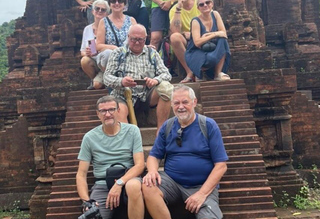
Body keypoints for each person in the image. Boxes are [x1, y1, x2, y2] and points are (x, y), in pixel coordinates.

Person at [142, 84, 228, 219]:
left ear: (194, 102)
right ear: (171, 104)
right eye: (176, 103)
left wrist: (202, 194)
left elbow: (221, 166)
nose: (180, 107)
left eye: (185, 102)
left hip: (202, 185)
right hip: (172, 182)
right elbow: (153, 156)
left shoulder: (208, 125)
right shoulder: (168, 126)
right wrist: (152, 171)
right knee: (147, 185)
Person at [76, 95, 145, 219]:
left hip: (128, 179)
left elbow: (140, 165)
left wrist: (119, 183)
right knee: (93, 215)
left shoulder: (132, 131)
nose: (107, 114)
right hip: (102, 184)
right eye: (103, 111)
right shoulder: (89, 137)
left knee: (133, 186)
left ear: (118, 111)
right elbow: (81, 174)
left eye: (111, 110)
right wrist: (86, 201)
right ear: (98, 114)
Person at [103, 24, 172, 131]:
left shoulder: (152, 53)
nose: (136, 42)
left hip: (146, 94)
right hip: (122, 96)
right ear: (128, 37)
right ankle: (129, 141)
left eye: (140, 40)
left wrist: (155, 81)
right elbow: (106, 78)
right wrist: (121, 81)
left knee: (166, 87)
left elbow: (166, 74)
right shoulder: (118, 53)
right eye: (133, 39)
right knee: (118, 109)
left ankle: (161, 132)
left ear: (146, 39)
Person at [185, 0, 231, 81]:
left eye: (207, 2)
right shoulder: (196, 21)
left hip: (213, 49)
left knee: (223, 40)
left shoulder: (215, 14)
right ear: (198, 8)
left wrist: (210, 34)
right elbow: (197, 42)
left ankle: (218, 73)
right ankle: (201, 71)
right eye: (201, 4)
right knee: (211, 56)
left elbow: (223, 34)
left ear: (212, 4)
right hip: (199, 52)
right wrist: (216, 34)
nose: (205, 5)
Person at [96, 0, 137, 75]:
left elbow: (138, 39)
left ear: (124, 4)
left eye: (120, 1)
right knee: (108, 54)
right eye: (113, 1)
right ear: (110, 4)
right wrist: (113, 48)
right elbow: (98, 45)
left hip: (128, 56)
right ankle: (110, 77)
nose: (117, 3)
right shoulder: (104, 21)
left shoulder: (131, 20)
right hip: (110, 59)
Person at [168, 0, 200, 83]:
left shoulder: (200, 3)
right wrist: (178, 8)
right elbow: (175, 31)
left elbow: (210, 23)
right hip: (187, 40)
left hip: (202, 37)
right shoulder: (174, 9)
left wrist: (194, 34)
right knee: (174, 38)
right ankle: (190, 72)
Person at [80, 0, 109, 90]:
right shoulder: (87, 29)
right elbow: (82, 50)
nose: (99, 11)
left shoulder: (110, 28)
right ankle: (94, 79)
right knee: (84, 60)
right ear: (93, 11)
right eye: (97, 8)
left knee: (98, 86)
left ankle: (105, 80)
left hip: (107, 63)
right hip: (94, 61)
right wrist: (87, 54)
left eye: (103, 10)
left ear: (107, 14)